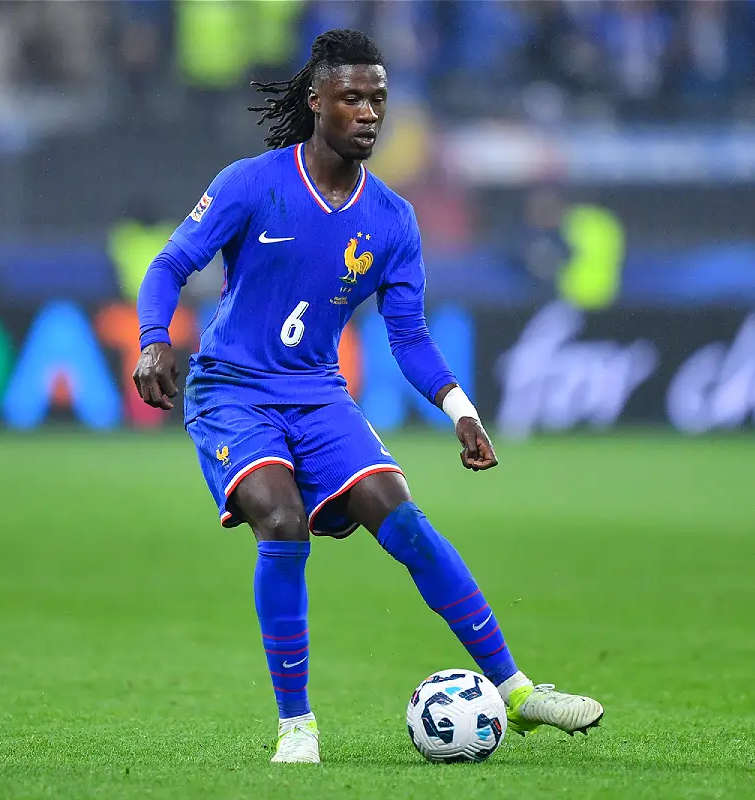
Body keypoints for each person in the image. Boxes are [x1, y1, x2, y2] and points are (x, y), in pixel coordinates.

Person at [133, 29, 604, 764]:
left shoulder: (391, 219)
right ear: (317, 101)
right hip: (232, 388)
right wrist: (154, 338)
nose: (368, 112)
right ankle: (298, 727)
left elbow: (408, 338)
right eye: (352, 97)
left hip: (318, 394)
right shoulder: (251, 183)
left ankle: (516, 691)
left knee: (402, 517)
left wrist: (460, 409)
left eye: (378, 98)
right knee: (281, 521)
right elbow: (167, 265)